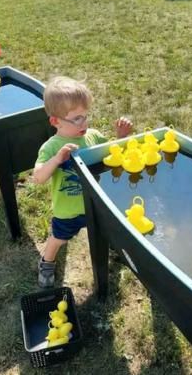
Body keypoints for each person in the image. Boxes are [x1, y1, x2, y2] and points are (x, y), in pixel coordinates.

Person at [33, 76, 133, 288]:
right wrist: (58, 159)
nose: (84, 123)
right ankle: (47, 262)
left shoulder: (93, 137)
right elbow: (38, 177)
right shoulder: (51, 147)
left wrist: (120, 137)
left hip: (96, 204)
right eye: (76, 119)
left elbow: (111, 156)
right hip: (68, 210)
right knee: (58, 239)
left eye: (85, 116)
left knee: (106, 231)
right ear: (55, 121)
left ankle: (114, 249)